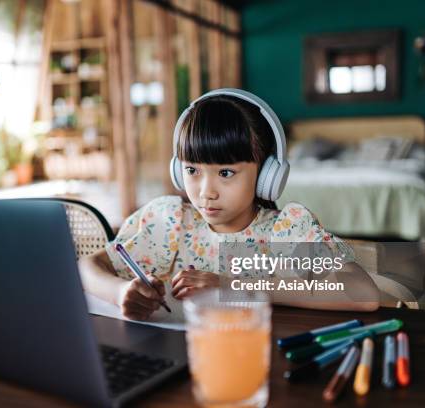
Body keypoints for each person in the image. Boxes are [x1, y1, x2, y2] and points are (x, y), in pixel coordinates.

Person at [79, 89, 379, 320]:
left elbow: (362, 292)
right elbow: (87, 267)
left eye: (226, 173)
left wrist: (232, 285)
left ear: (266, 175)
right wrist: (120, 292)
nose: (206, 192)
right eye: (192, 170)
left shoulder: (285, 231)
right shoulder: (169, 223)